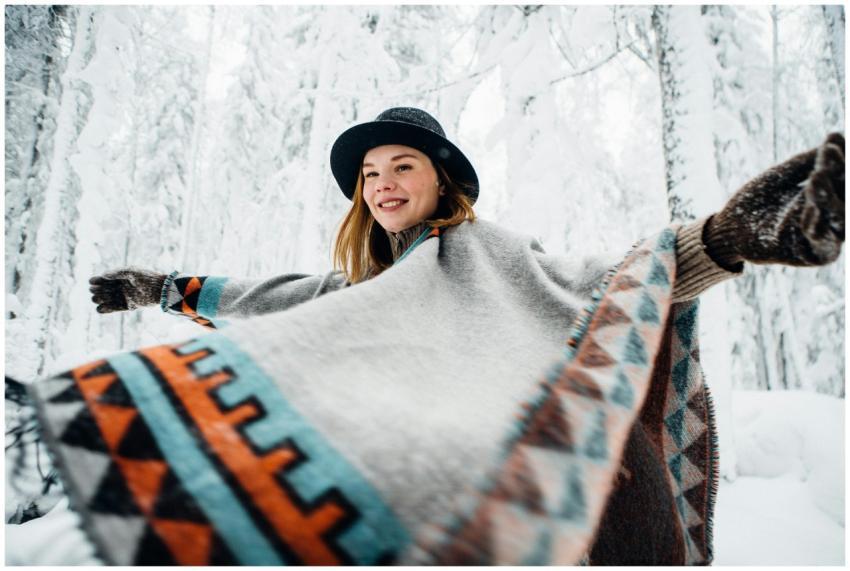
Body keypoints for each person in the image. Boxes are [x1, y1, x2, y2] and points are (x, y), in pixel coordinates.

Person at [18, 108, 844, 566]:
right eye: (369, 174)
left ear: (440, 179)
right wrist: (162, 288)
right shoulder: (368, 290)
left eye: (401, 166)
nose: (382, 184)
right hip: (428, 496)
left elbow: (612, 280)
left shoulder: (492, 253)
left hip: (533, 487)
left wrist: (727, 238)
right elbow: (274, 299)